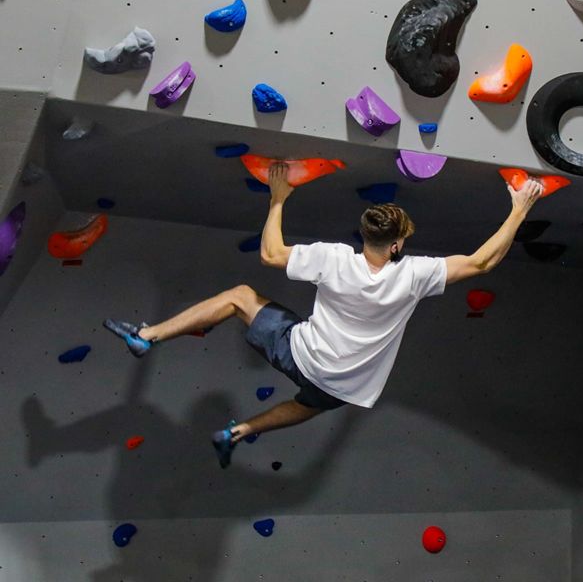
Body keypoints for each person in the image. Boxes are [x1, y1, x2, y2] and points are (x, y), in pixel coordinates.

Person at [104, 162, 543, 468]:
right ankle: (236, 433)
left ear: (365, 235)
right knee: (307, 406)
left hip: (303, 356)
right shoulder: (413, 275)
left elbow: (271, 253)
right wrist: (520, 208)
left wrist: (278, 197)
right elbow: (483, 262)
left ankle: (149, 335)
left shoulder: (335, 258)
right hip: (347, 386)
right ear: (396, 245)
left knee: (240, 296)